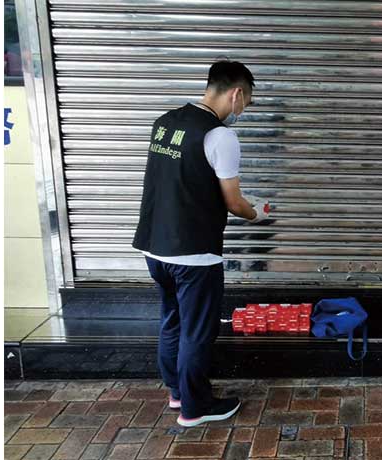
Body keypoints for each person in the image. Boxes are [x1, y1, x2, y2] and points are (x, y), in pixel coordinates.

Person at [132, 60, 269, 427]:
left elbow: (182, 180)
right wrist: (257, 213)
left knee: (172, 320)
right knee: (196, 330)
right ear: (236, 94)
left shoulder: (165, 122)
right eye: (246, 102)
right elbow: (234, 202)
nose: (243, 110)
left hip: (154, 246)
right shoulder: (220, 136)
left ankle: (177, 392)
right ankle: (195, 408)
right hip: (193, 252)